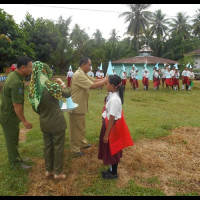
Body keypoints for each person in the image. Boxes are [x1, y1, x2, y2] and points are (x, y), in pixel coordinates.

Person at [28, 61, 71, 180]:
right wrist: (62, 83)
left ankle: (48, 170)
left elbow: (35, 108)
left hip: (44, 122)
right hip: (57, 122)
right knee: (58, 147)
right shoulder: (52, 86)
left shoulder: (34, 90)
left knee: (47, 146)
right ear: (45, 71)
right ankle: (58, 173)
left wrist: (44, 114)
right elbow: (67, 93)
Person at [69, 56, 108, 157]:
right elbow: (93, 86)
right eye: (89, 65)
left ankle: (82, 143)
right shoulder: (78, 75)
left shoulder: (83, 73)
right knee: (76, 128)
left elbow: (93, 80)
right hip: (76, 105)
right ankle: (75, 148)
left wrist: (104, 79)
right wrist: (106, 80)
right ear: (83, 65)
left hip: (80, 104)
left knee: (81, 126)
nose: (91, 67)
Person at [98, 75, 134, 180]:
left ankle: (114, 173)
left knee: (113, 150)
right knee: (111, 149)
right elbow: (108, 94)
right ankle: (111, 170)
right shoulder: (113, 94)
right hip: (110, 126)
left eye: (107, 83)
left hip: (112, 128)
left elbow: (112, 118)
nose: (106, 85)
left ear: (113, 86)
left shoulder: (114, 100)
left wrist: (106, 135)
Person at [0, 56, 33, 170]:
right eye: (30, 67)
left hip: (9, 115)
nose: (31, 70)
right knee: (12, 141)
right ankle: (15, 164)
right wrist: (24, 121)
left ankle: (17, 158)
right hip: (9, 116)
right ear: (23, 67)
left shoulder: (14, 76)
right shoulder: (16, 81)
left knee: (13, 139)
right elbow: (16, 105)